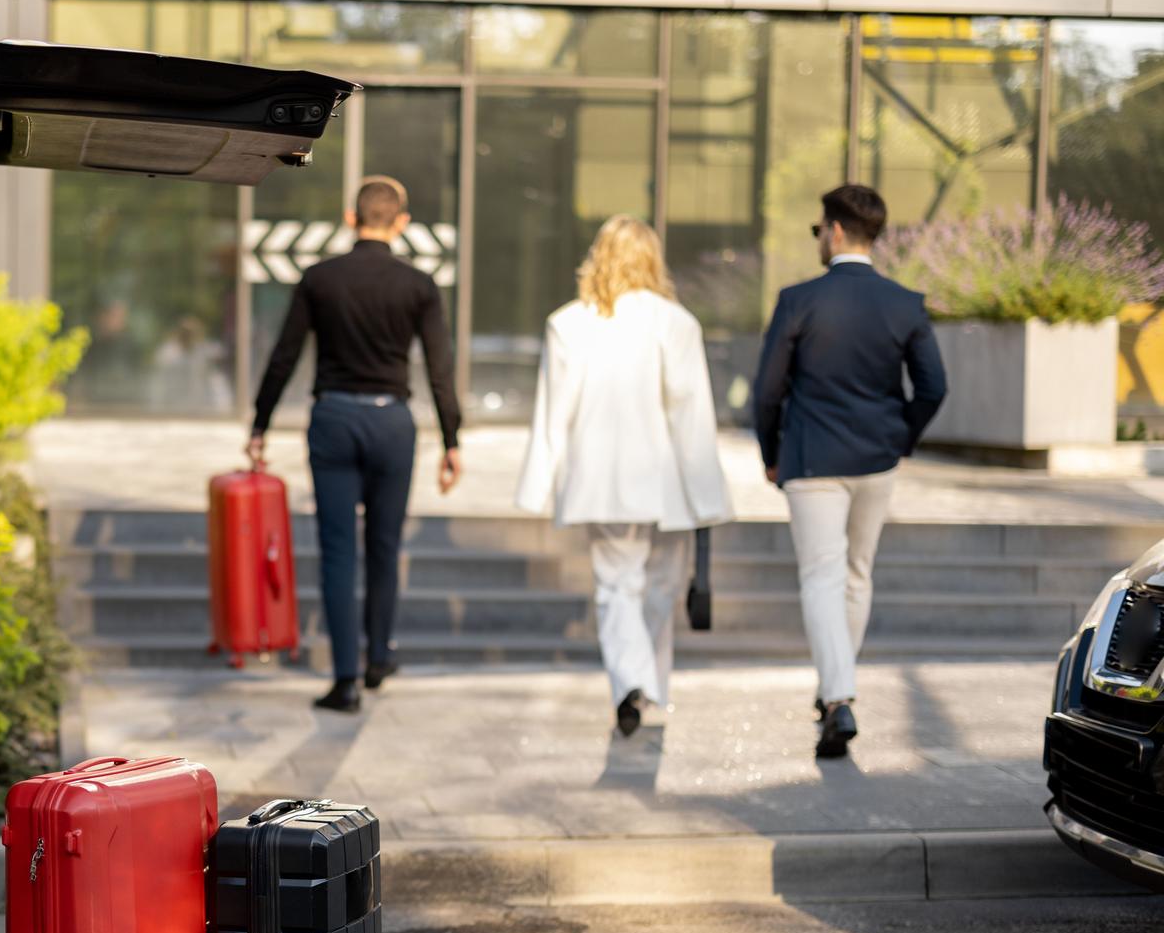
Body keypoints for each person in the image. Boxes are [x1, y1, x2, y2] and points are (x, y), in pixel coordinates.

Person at [249, 175, 463, 713]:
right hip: (392, 423)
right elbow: (440, 370)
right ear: (402, 223)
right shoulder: (419, 285)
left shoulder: (320, 279)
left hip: (334, 420)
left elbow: (284, 356)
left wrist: (260, 424)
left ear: (350, 219)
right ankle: (379, 657)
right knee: (385, 546)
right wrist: (452, 440)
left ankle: (345, 680)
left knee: (339, 551)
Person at [516, 216, 733, 736]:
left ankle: (633, 684)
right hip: (663, 481)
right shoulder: (674, 322)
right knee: (657, 587)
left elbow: (553, 411)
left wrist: (538, 483)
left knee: (617, 587)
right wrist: (707, 492)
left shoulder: (568, 322)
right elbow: (691, 413)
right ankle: (644, 684)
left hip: (599, 481)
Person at [754, 183, 947, 759]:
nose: (819, 238)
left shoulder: (797, 300)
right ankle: (833, 695)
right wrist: (901, 437)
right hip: (876, 460)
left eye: (819, 229)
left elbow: (767, 391)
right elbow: (934, 387)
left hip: (812, 459)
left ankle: (837, 697)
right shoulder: (905, 303)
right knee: (857, 573)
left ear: (835, 230)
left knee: (821, 576)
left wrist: (771, 452)